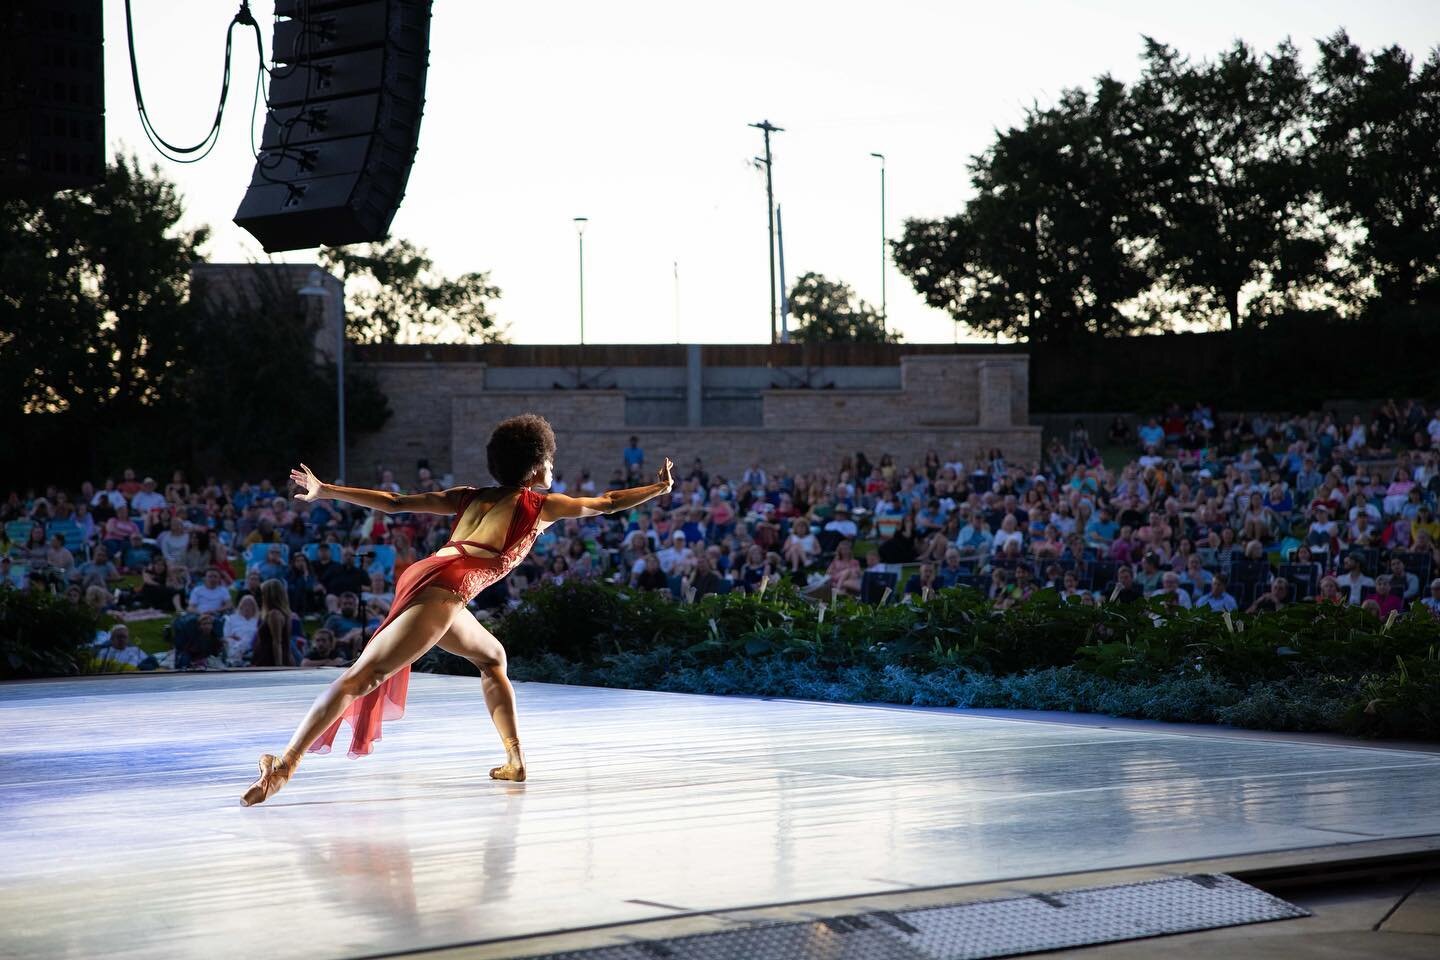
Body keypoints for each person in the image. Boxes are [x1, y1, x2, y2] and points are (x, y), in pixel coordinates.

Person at [241, 415, 674, 806]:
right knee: (363, 677)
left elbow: (395, 502)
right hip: (444, 587)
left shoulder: (470, 496)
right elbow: (609, 501)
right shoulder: (542, 507)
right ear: (539, 468)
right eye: (551, 461)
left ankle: (515, 760)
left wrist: (328, 490)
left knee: (492, 658)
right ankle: (284, 765)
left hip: (438, 579)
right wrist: (659, 489)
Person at [251, 579, 301, 668]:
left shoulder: (274, 614)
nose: (262, 597)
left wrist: (279, 666)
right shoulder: (284, 614)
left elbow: (277, 642)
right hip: (267, 659)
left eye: (263, 594)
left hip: (269, 660)